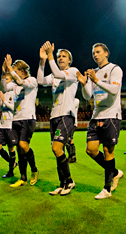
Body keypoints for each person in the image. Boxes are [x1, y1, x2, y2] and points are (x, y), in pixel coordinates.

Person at [76, 43, 124, 199]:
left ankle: (107, 189)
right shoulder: (93, 72)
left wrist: (96, 80)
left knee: (108, 151)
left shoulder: (114, 69)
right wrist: (84, 84)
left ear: (106, 53)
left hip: (111, 115)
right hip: (96, 116)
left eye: (98, 52)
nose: (95, 55)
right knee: (90, 150)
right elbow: (87, 96)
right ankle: (115, 172)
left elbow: (115, 90)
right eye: (93, 53)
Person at [37, 41, 77, 195]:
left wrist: (50, 55)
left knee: (57, 148)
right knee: (57, 151)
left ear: (69, 61)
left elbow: (59, 74)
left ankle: (69, 181)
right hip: (54, 116)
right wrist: (42, 61)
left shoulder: (72, 71)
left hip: (66, 115)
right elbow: (40, 81)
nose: (60, 58)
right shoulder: (55, 75)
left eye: (63, 56)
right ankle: (62, 183)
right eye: (59, 56)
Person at [2, 54, 39, 188]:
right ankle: (23, 177)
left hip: (28, 118)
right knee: (18, 149)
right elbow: (4, 88)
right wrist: (4, 72)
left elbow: (20, 82)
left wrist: (9, 70)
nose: (13, 74)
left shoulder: (32, 81)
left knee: (23, 145)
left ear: (22, 71)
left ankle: (34, 170)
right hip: (16, 119)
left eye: (15, 71)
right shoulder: (15, 83)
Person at [0, 73, 18, 178]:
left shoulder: (14, 93)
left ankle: (10, 172)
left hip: (10, 125)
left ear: (12, 80)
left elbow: (15, 108)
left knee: (11, 148)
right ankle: (12, 162)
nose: (5, 81)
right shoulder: (4, 93)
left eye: (7, 79)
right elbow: (0, 108)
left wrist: (4, 100)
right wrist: (0, 100)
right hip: (2, 125)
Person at [66, 98, 79, 163]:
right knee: (70, 139)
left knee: (68, 139)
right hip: (67, 123)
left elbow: (70, 107)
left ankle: (72, 156)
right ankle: (72, 156)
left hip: (72, 123)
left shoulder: (76, 100)